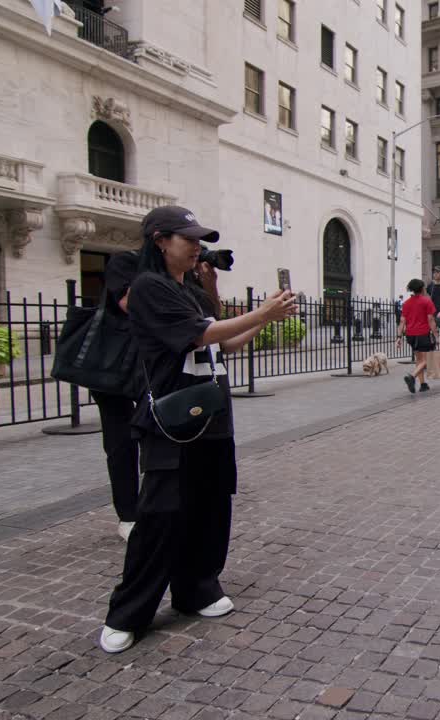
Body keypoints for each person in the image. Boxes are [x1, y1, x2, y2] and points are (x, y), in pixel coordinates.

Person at [99, 206, 298, 654]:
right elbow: (197, 336)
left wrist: (266, 317)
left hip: (210, 415)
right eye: (187, 238)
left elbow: (222, 342)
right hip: (172, 419)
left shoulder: (187, 287)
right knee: (160, 516)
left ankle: (197, 589)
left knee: (211, 506)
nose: (196, 246)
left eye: (198, 238)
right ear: (159, 241)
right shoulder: (148, 287)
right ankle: (129, 611)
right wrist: (260, 312)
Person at [90, 251, 142, 542]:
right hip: (114, 363)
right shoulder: (127, 262)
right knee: (121, 440)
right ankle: (129, 514)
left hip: (150, 360)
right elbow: (127, 303)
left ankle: (155, 504)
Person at [396, 278, 438, 393]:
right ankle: (412, 377)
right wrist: (436, 335)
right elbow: (431, 320)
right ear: (422, 288)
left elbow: (402, 321)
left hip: (410, 335)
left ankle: (423, 384)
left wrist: (398, 337)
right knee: (427, 359)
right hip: (423, 334)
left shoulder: (406, 304)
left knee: (419, 359)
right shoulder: (427, 301)